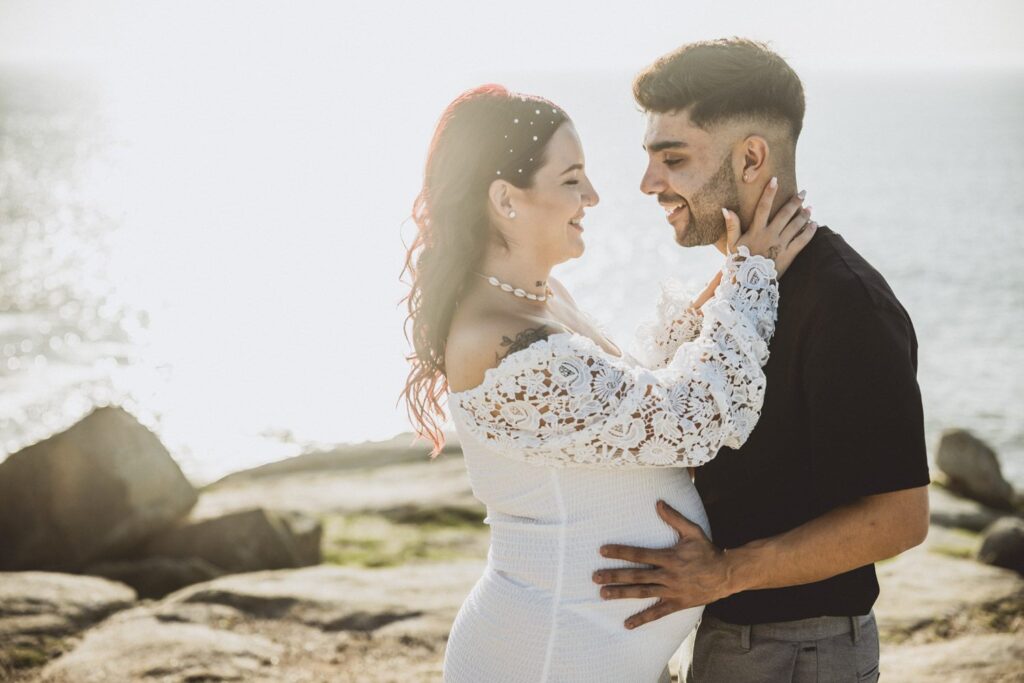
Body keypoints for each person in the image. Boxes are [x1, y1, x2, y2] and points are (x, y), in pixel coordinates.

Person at [399, 83, 815, 682]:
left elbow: (625, 394)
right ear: (505, 199)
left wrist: (721, 293)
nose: (593, 196)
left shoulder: (537, 301)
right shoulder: (500, 339)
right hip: (544, 659)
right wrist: (750, 280)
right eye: (571, 179)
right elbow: (690, 420)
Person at [590, 38, 931, 683]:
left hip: (801, 653)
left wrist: (724, 574)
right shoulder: (742, 287)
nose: (648, 183)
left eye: (674, 158)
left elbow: (899, 518)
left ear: (751, 158)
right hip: (731, 634)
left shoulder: (847, 303)